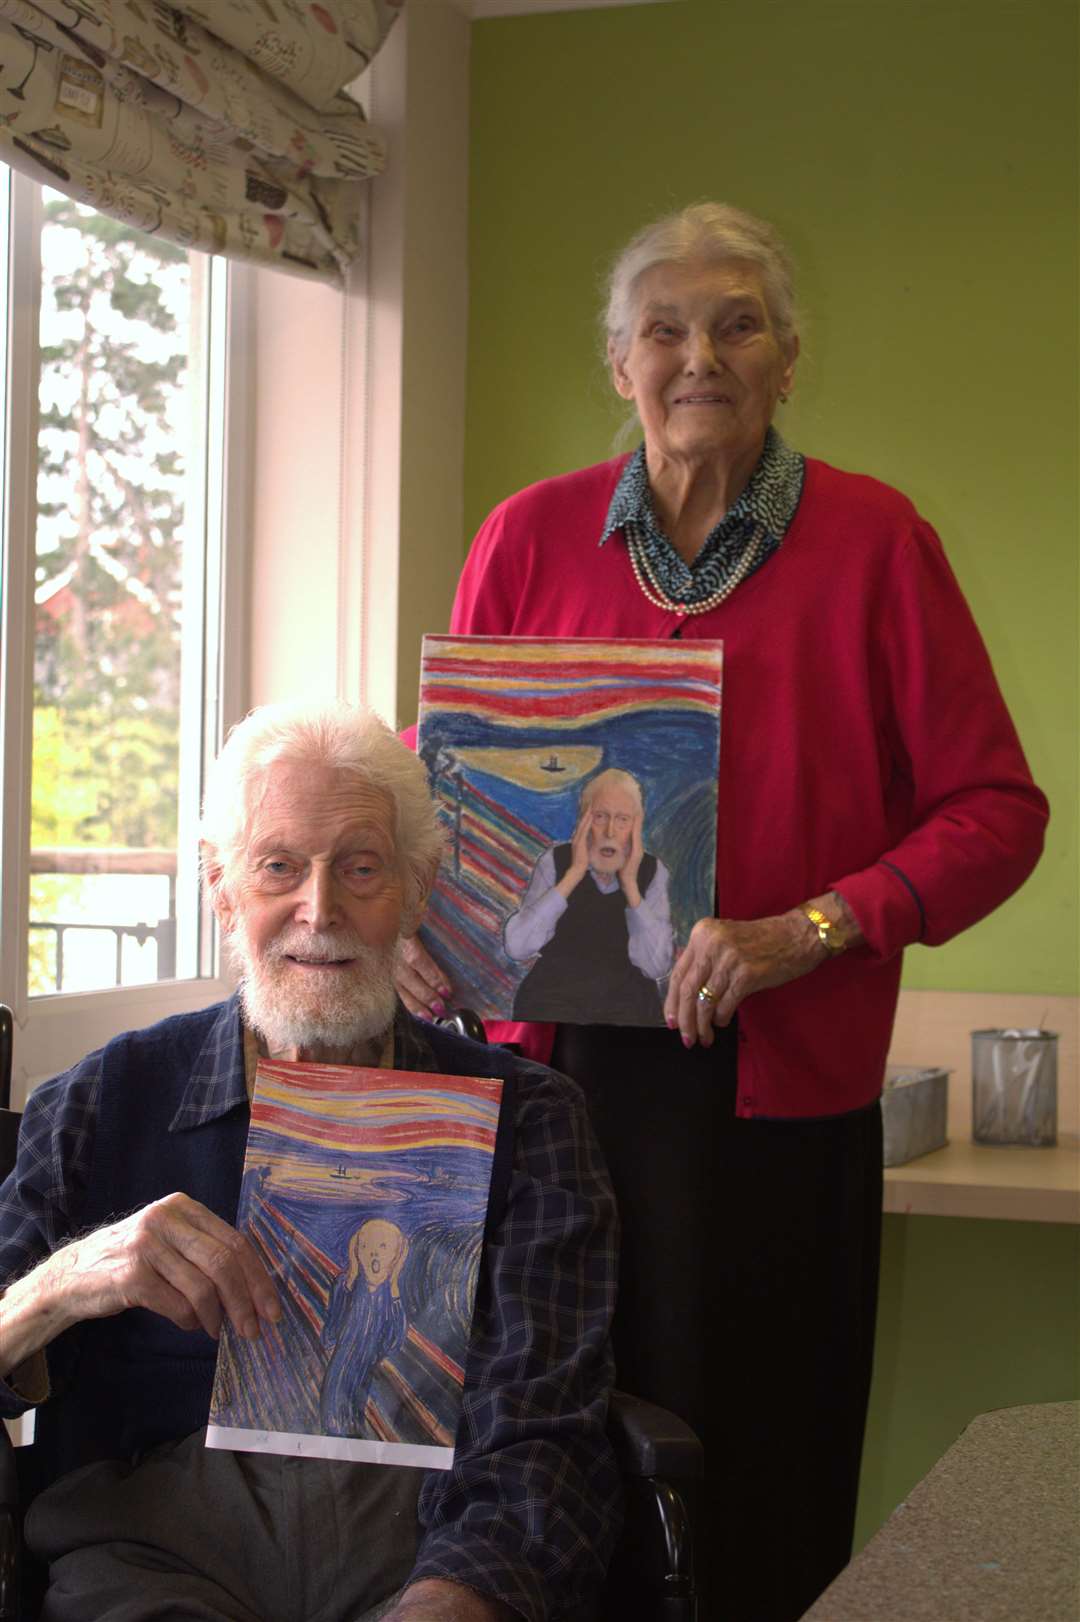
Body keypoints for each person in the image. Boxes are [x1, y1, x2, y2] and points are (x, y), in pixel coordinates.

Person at [394, 204, 1050, 1620]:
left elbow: (998, 813)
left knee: (756, 1491)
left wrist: (806, 927)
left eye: (739, 323)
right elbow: (443, 790)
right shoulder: (527, 537)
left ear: (790, 357)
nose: (703, 354)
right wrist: (408, 904)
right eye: (667, 328)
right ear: (618, 361)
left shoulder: (879, 542)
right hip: (547, 1088)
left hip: (773, 1105)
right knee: (533, 1459)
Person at [0, 700, 620, 1622]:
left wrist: (450, 1601)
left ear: (416, 891)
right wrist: (67, 1281)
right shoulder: (100, 1100)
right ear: (222, 888)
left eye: (361, 868)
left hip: (422, 1562)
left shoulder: (529, 1121)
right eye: (279, 867)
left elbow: (542, 1432)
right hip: (150, 1561)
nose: (319, 910)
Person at [505, 767, 674, 1023]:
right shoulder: (556, 861)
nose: (609, 832)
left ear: (635, 827)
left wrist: (630, 885)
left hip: (628, 1007)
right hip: (553, 1000)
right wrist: (573, 874)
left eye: (622, 820)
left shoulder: (653, 871)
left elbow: (657, 967)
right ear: (583, 821)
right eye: (600, 817)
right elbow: (517, 948)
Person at [320, 1218, 410, 1438]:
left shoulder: (392, 1297)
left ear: (396, 1255)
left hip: (368, 1373)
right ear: (356, 1251)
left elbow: (395, 1340)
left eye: (382, 1246)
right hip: (340, 1369)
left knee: (356, 1418)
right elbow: (329, 1334)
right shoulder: (345, 1286)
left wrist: (395, 1285)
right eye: (365, 1246)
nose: (373, 1254)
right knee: (333, 1417)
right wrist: (348, 1284)